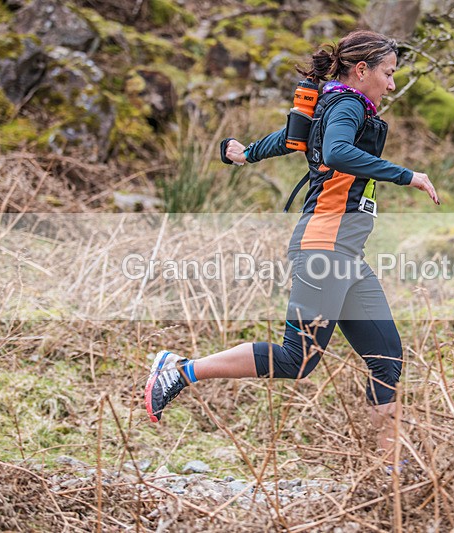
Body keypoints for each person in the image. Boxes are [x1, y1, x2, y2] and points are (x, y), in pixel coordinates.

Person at [145, 30, 439, 455]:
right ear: (362, 70)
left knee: (386, 357)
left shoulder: (335, 102)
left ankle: (390, 473)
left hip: (344, 253)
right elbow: (336, 151)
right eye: (389, 73)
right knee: (296, 359)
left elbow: (293, 138)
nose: (391, 84)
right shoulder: (349, 104)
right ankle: (179, 370)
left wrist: (248, 153)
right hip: (324, 245)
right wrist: (406, 174)